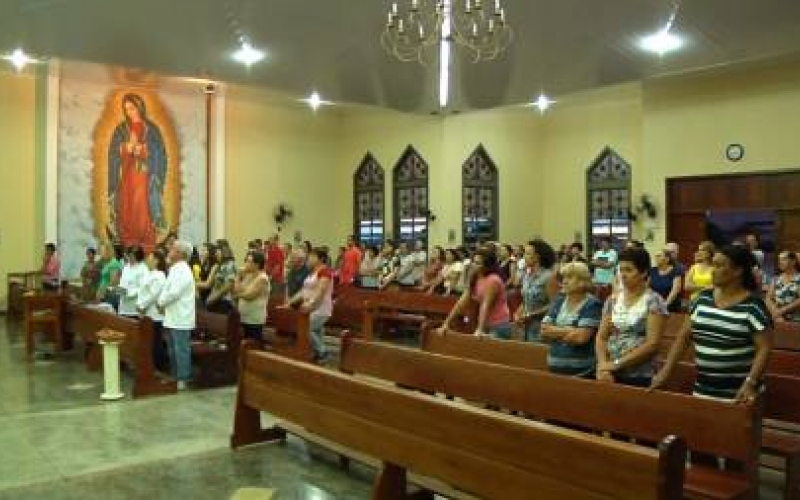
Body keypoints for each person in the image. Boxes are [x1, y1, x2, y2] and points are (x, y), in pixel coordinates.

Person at [652, 245, 772, 402]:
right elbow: (684, 338)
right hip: (704, 388)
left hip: (739, 393)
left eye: (719, 265)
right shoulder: (702, 299)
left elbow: (764, 348)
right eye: (712, 264)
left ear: (738, 271)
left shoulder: (753, 306)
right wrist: (666, 371)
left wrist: (750, 383)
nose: (712, 271)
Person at [595, 248, 667, 387]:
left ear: (643, 272)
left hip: (639, 374)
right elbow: (601, 337)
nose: (623, 275)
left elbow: (652, 345)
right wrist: (603, 365)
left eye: (628, 270)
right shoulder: (613, 300)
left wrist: (616, 364)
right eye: (620, 270)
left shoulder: (654, 301)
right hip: (609, 373)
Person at [108, 93, 167, 249]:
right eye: (126, 109)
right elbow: (113, 152)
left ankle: (145, 242)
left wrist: (145, 150)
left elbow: (160, 153)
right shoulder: (121, 129)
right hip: (127, 175)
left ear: (139, 107)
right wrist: (124, 148)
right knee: (126, 206)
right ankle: (127, 241)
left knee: (141, 207)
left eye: (132, 108)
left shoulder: (152, 129)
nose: (129, 112)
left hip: (143, 176)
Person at [540, 262, 603, 377]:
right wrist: (569, 330)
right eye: (563, 277)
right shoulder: (559, 301)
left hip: (582, 371)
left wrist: (555, 331)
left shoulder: (592, 304)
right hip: (554, 367)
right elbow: (544, 331)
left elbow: (581, 338)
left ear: (582, 281)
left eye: (569, 277)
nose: (564, 281)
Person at [439, 246, 511, 339]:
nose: (473, 265)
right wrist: (446, 323)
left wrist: (479, 329)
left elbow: (485, 305)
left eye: (478, 263)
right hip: (486, 323)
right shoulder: (475, 277)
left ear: (487, 265)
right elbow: (461, 302)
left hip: (498, 324)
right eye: (473, 262)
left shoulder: (493, 279)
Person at [157, 240, 196, 389]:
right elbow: (167, 289)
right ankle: (175, 375)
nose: (169, 250)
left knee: (181, 349)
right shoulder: (175, 268)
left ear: (180, 253)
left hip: (181, 316)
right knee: (172, 349)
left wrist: (160, 303)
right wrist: (162, 301)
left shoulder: (183, 270)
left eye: (172, 248)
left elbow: (174, 292)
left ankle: (183, 378)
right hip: (172, 315)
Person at [284, 248, 334, 362]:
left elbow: (320, 290)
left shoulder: (325, 271)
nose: (309, 258)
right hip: (310, 308)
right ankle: (319, 354)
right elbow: (303, 291)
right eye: (309, 256)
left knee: (306, 329)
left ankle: (323, 352)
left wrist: (311, 303)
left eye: (312, 256)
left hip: (320, 308)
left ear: (321, 259)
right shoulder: (312, 273)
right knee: (315, 331)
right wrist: (289, 302)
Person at [514, 240, 559, 342]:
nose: (524, 257)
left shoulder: (548, 277)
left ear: (538, 256)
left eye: (527, 253)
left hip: (541, 326)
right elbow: (525, 300)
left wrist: (532, 314)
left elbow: (555, 305)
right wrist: (518, 313)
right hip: (526, 325)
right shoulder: (527, 275)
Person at [137, 249, 169, 372]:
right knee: (150, 341)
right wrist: (139, 304)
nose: (147, 260)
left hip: (154, 314)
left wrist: (142, 305)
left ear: (156, 261)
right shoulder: (150, 273)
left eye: (150, 258)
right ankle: (152, 365)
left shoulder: (159, 275)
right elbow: (143, 291)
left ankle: (159, 367)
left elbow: (154, 294)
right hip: (147, 313)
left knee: (156, 342)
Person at [233, 251, 271, 342]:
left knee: (253, 347)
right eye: (246, 261)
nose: (246, 264)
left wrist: (237, 295)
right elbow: (237, 289)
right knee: (243, 346)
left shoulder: (263, 278)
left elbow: (249, 296)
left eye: (249, 262)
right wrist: (238, 276)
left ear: (257, 264)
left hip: (254, 319)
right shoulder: (248, 276)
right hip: (244, 317)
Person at [767, 250, 800, 323]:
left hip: (795, 317)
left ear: (793, 261)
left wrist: (782, 310)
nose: (780, 262)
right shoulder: (776, 278)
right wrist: (776, 312)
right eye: (779, 259)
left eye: (783, 259)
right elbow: (768, 298)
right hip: (777, 316)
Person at [118, 246, 148, 318]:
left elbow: (143, 288)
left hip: (135, 308)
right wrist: (118, 289)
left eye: (132, 256)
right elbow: (122, 283)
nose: (129, 258)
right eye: (129, 255)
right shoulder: (126, 267)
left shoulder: (143, 269)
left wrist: (128, 292)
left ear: (138, 256)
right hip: (123, 306)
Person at [206, 244, 236, 314]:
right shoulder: (221, 265)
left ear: (224, 253)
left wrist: (213, 298)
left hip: (224, 301)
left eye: (217, 252)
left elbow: (228, 286)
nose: (215, 254)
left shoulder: (230, 265)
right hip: (217, 300)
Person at [97, 243, 124, 310]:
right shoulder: (107, 263)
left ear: (108, 251)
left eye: (102, 251)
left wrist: (102, 291)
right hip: (104, 293)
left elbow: (113, 282)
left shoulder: (114, 263)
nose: (100, 253)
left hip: (108, 294)